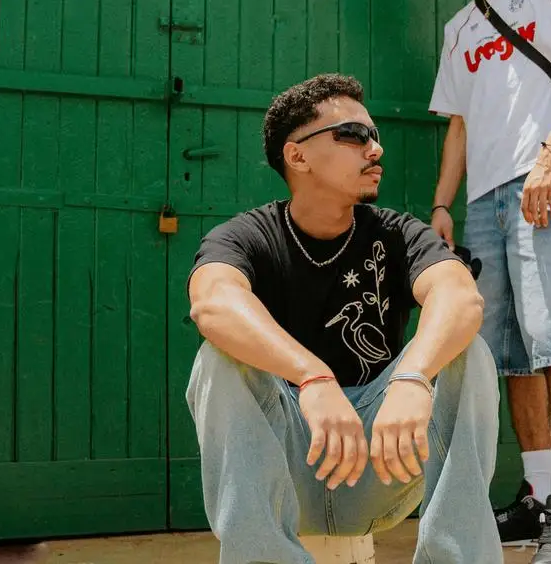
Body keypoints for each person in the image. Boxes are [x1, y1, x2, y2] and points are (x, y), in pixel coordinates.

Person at [185, 73, 503, 564]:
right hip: (288, 464)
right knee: (218, 360)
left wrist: (413, 378)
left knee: (468, 352)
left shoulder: (397, 235)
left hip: (383, 462)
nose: (374, 149)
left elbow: (460, 297)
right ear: (298, 156)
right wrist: (312, 377)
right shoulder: (248, 236)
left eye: (375, 136)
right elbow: (212, 303)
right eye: (354, 136)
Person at [428, 0, 551, 563]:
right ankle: (537, 500)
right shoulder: (461, 26)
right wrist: (441, 204)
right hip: (482, 201)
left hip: (543, 181)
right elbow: (458, 125)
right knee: (513, 354)